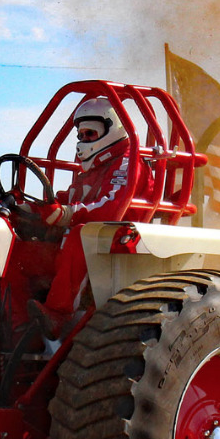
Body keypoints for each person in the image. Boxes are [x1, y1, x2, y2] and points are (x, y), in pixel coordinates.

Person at [30, 96, 134, 331]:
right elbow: (66, 200)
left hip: (116, 241)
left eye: (91, 134)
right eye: (81, 135)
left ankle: (59, 314)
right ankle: (16, 327)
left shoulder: (127, 163)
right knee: (20, 253)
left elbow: (110, 206)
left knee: (81, 234)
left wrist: (66, 214)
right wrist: (31, 208)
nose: (84, 140)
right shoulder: (93, 170)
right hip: (82, 246)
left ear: (112, 130)